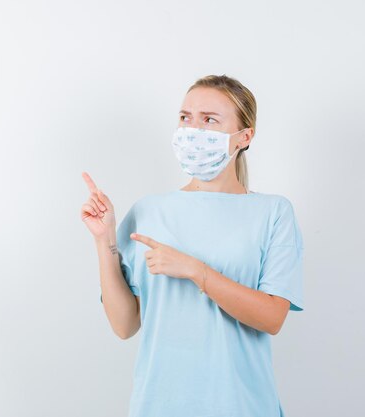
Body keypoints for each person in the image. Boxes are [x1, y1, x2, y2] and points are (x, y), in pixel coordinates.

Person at [80, 74, 305, 417]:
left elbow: (272, 317)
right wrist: (105, 241)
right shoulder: (149, 211)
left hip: (241, 405)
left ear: (244, 137)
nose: (193, 130)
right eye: (186, 118)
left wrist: (196, 271)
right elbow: (125, 325)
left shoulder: (273, 213)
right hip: (159, 405)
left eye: (210, 120)